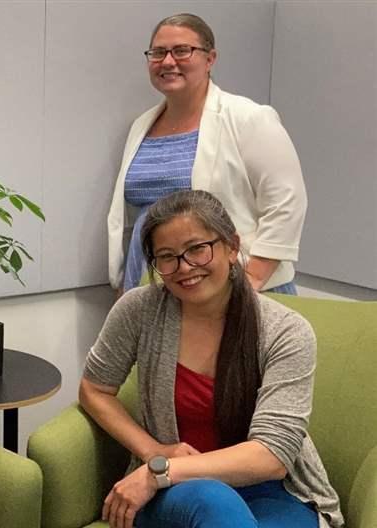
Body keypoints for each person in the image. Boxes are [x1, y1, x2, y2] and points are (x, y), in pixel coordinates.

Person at [82, 190, 342, 528]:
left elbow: (272, 456)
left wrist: (158, 472)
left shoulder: (286, 332)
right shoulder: (139, 310)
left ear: (231, 247)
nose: (184, 267)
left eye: (197, 249)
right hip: (175, 492)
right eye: (167, 256)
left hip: (268, 491)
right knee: (211, 501)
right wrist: (152, 454)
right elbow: (94, 389)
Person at [108, 13, 306, 296]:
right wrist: (125, 282)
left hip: (236, 287)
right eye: (158, 52)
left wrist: (250, 280)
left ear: (210, 58)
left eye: (182, 50)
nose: (167, 61)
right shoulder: (142, 126)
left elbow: (287, 202)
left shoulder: (248, 117)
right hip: (157, 282)